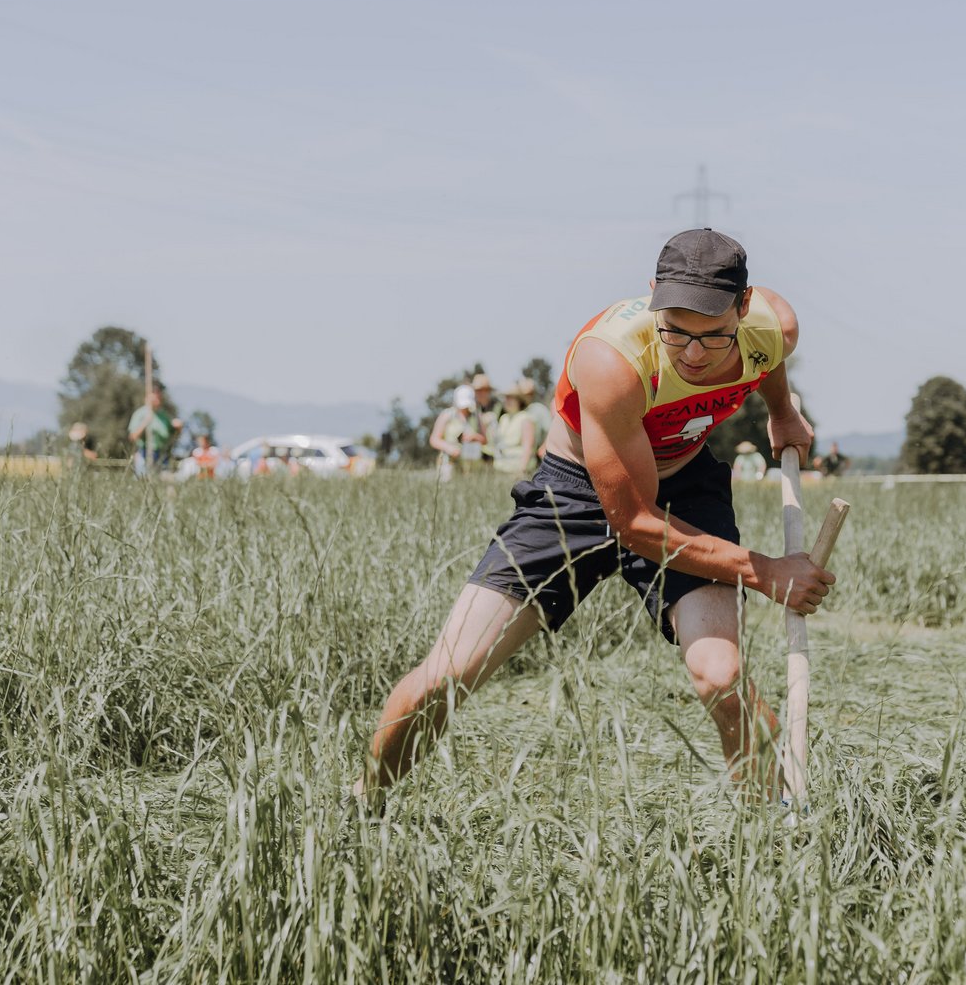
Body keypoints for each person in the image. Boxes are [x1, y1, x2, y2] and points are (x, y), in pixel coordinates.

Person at [355, 228, 833, 804]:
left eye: (713, 335)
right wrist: (764, 571)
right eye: (676, 331)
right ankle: (365, 803)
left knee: (722, 678)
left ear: (744, 305)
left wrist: (780, 412)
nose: (693, 353)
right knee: (451, 674)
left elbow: (767, 356)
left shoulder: (774, 326)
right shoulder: (610, 357)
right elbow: (636, 524)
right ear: (653, 295)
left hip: (686, 486)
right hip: (576, 492)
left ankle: (770, 828)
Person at [428, 385, 489, 482]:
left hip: (471, 466)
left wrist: (475, 437)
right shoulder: (447, 415)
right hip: (449, 465)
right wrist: (449, 448)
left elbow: (485, 440)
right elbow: (434, 439)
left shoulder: (476, 416)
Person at [127, 386, 181, 476]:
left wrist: (178, 428)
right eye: (155, 397)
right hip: (144, 452)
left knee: (164, 479)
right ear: (147, 398)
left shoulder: (163, 415)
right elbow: (132, 437)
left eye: (158, 397)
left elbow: (172, 435)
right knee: (143, 479)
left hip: (162, 454)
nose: (157, 400)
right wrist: (145, 422)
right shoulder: (140, 414)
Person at [491, 382, 538, 477]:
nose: (507, 401)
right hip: (501, 469)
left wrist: (522, 470)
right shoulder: (503, 418)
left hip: (517, 470)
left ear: (519, 401)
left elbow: (527, 447)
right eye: (506, 398)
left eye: (511, 398)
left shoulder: (525, 418)